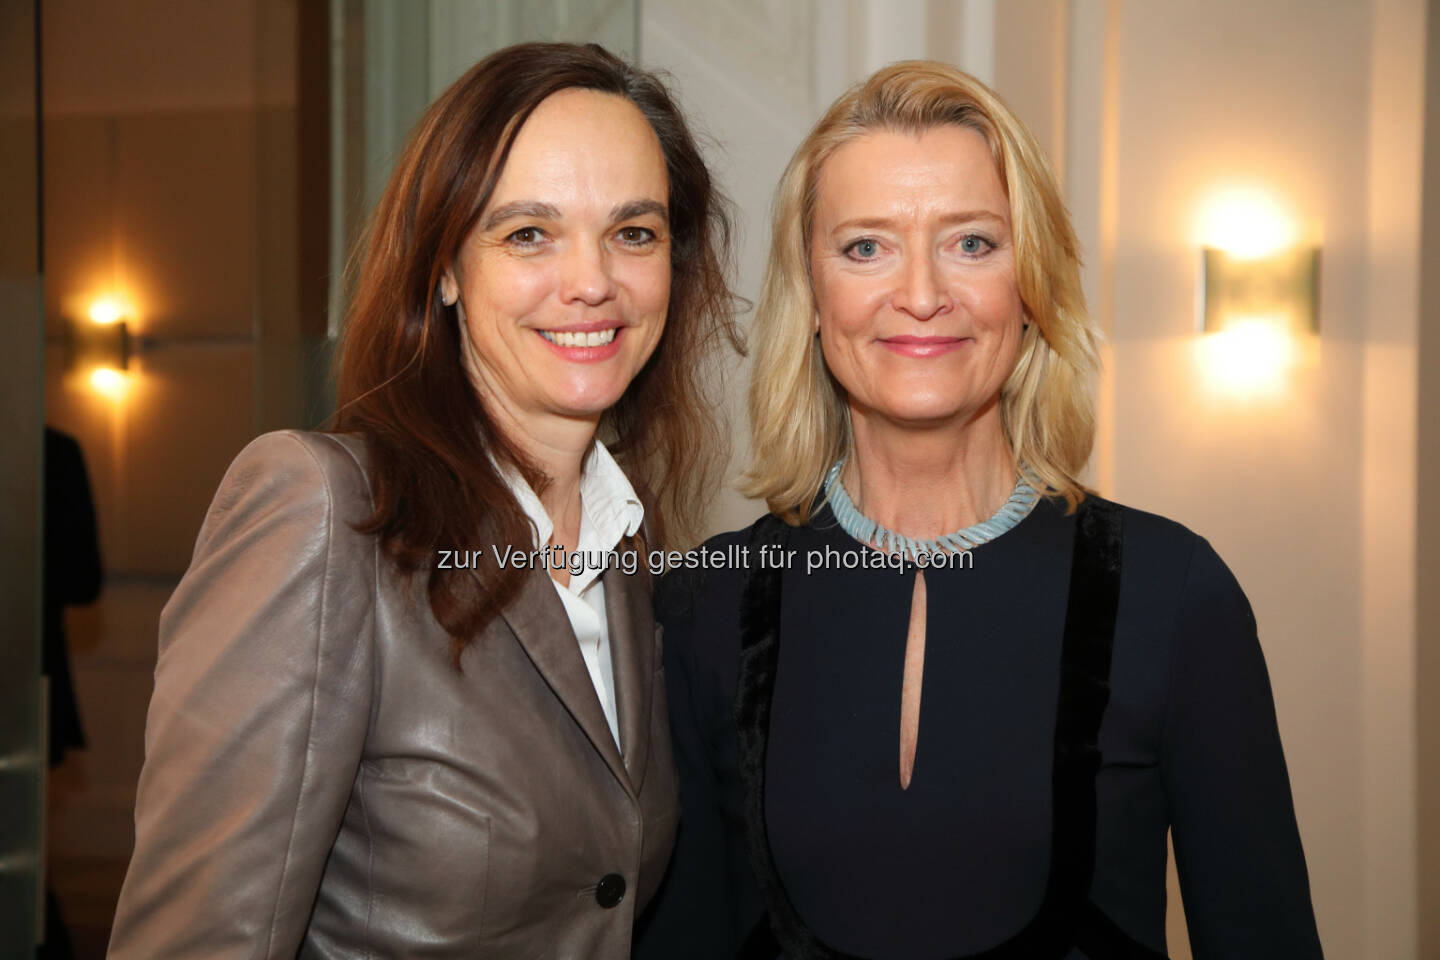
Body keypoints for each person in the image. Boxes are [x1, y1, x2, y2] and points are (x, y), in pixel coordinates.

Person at [635, 62, 1323, 959]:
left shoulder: (1176, 597)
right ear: (811, 298)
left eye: (971, 243)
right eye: (865, 247)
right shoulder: (704, 607)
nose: (921, 295)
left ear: (1030, 288)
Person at [109, 42, 739, 958]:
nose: (593, 280)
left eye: (633, 232)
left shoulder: (628, 556)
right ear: (444, 268)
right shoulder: (324, 510)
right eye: (529, 233)